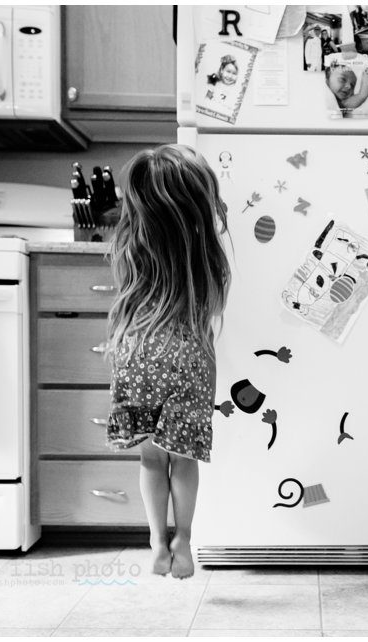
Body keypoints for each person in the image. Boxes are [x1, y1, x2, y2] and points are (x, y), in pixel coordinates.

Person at [105, 144, 232, 579]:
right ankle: (184, 541)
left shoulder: (131, 245)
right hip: (188, 358)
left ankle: (157, 542)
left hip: (138, 356)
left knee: (151, 460)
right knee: (184, 459)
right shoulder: (204, 252)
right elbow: (212, 306)